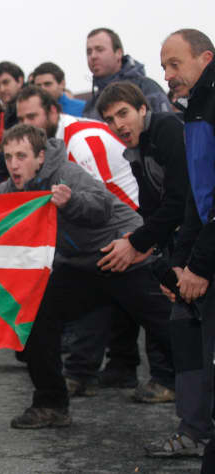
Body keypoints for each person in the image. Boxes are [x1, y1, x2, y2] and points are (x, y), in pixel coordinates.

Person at [0, 124, 171, 429]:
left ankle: (197, 398)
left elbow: (101, 206)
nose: (14, 164)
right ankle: (50, 405)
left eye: (21, 156)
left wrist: (71, 202)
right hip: (79, 266)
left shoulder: (67, 173)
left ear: (40, 156)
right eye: (8, 157)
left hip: (123, 254)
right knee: (34, 315)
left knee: (171, 330)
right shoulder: (13, 187)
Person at [88, 82, 189, 394]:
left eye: (123, 114)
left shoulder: (167, 129)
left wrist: (136, 243)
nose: (118, 124)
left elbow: (180, 200)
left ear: (143, 109)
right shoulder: (135, 150)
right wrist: (145, 247)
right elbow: (150, 207)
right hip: (174, 239)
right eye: (109, 119)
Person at [147, 28, 215, 463]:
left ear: (206, 59)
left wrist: (200, 267)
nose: (169, 75)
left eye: (176, 64)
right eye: (164, 68)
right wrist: (179, 266)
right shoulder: (193, 110)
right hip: (202, 252)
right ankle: (194, 431)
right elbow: (197, 196)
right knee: (189, 335)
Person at [83, 28, 171, 119]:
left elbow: (167, 127)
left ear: (118, 53)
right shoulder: (90, 105)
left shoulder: (147, 88)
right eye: (89, 52)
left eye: (99, 49)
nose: (93, 56)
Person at [0, 61, 24, 129]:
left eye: (6, 82)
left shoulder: (35, 104)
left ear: (20, 81)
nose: (2, 89)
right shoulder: (7, 113)